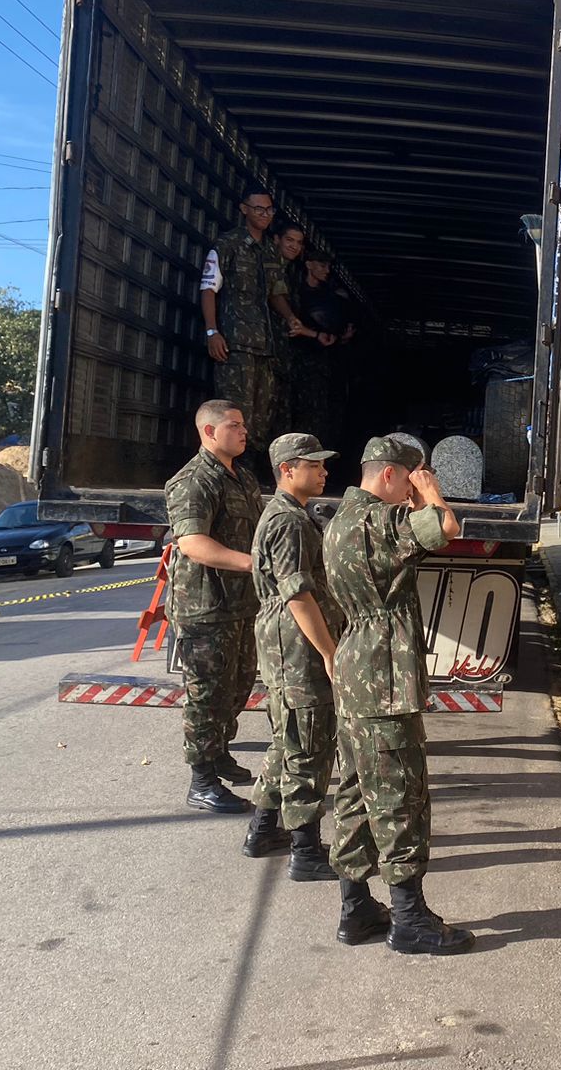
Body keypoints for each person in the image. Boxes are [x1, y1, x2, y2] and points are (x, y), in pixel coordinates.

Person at [323, 436, 474, 953]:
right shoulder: (380, 521)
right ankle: (410, 920)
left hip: (354, 667)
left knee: (355, 790)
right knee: (398, 795)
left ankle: (356, 908)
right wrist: (432, 493)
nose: (412, 491)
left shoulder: (339, 521)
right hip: (383, 675)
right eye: (409, 479)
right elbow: (446, 528)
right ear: (389, 475)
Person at [242, 433, 345, 880]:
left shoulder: (292, 514)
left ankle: (263, 831)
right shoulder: (289, 522)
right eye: (314, 465)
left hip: (288, 644)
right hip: (297, 648)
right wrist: (329, 652)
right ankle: (305, 852)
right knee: (307, 745)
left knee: (288, 740)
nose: (324, 472)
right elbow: (298, 595)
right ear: (287, 470)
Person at [164, 399, 265, 813]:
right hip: (205, 607)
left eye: (243, 425)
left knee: (237, 686)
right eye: (234, 425)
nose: (244, 432)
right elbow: (193, 543)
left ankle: (220, 752)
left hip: (240, 604)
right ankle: (202, 780)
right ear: (209, 431)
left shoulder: (242, 477)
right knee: (207, 695)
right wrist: (254, 564)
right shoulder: (193, 482)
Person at [200, 186, 310, 463]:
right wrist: (212, 331)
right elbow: (209, 288)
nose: (265, 214)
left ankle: (247, 473)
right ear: (244, 209)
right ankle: (226, 471)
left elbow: (276, 293)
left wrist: (290, 317)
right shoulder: (228, 244)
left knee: (260, 419)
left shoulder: (271, 251)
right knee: (234, 414)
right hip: (235, 345)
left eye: (269, 210)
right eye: (259, 209)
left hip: (266, 347)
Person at [284, 246, 354, 448]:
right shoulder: (296, 292)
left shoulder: (331, 296)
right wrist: (315, 334)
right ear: (309, 264)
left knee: (317, 412)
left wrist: (340, 337)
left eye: (328, 266)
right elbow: (290, 324)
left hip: (322, 361)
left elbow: (338, 328)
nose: (327, 270)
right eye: (322, 265)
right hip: (296, 357)